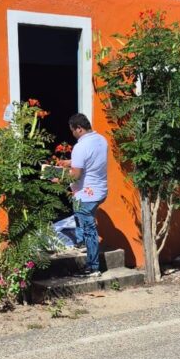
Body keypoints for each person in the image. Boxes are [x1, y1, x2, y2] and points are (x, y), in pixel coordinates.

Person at [66, 113, 108, 276]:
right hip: (100, 191)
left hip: (86, 195)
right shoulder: (101, 140)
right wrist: (70, 162)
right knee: (84, 222)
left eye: (72, 131)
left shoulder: (80, 146)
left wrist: (58, 177)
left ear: (79, 129)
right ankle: (82, 243)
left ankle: (93, 267)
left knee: (90, 230)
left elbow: (75, 176)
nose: (72, 134)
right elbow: (90, 160)